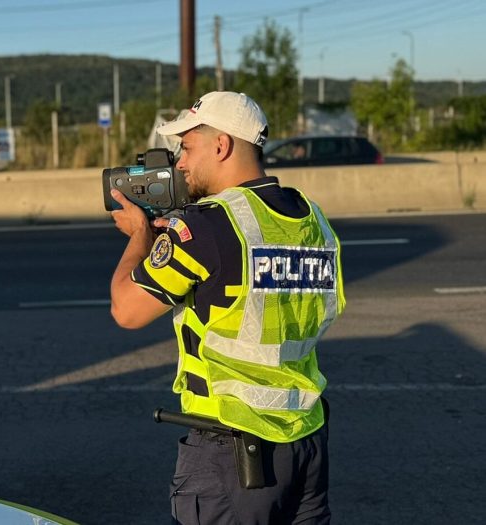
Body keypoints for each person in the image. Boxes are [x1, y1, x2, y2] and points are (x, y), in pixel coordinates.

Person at [108, 91, 345, 525]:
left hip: (232, 451)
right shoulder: (313, 220)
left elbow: (126, 310)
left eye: (187, 147)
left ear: (222, 146)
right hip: (306, 440)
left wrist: (140, 235)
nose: (180, 163)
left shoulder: (208, 225)